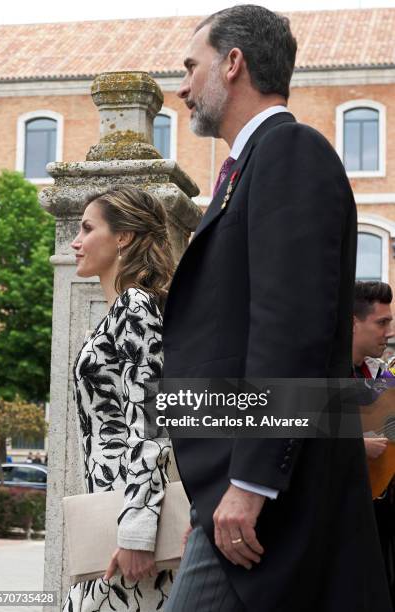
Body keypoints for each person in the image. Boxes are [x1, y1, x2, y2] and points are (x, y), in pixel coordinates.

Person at [163, 5, 393, 612]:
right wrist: (213, 497)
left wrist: (249, 484)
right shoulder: (248, 166)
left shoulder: (288, 150)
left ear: (233, 64)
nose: (183, 86)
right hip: (245, 491)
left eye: (192, 67)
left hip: (273, 496)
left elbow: (289, 330)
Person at [64, 187, 174, 612]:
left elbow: (151, 420)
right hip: (110, 507)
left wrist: (137, 532)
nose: (75, 241)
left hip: (129, 515)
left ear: (123, 237)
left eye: (88, 228)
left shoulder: (136, 306)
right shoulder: (116, 313)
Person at [352, 280, 395, 606]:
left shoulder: (380, 374)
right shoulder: (319, 376)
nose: (389, 331)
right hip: (342, 519)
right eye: (381, 322)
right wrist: (355, 445)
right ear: (353, 322)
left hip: (382, 516)